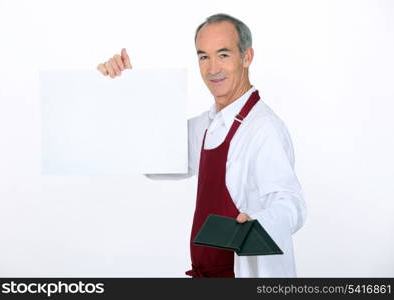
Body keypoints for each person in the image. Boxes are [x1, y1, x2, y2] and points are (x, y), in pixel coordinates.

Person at [97, 13, 306, 278]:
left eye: (224, 55)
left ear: (247, 57)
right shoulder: (207, 125)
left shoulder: (264, 129)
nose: (212, 68)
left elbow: (291, 203)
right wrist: (123, 86)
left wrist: (261, 223)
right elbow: (150, 156)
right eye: (203, 57)